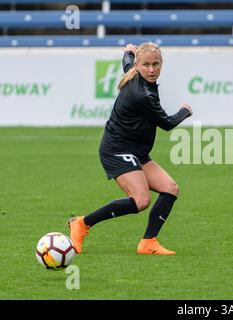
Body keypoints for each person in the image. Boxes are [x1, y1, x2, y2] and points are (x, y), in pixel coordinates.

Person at [68, 42, 192, 255]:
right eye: (146, 65)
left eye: (156, 64)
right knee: (141, 200)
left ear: (162, 64)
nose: (151, 70)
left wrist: (128, 51)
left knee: (170, 188)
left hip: (137, 151)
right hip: (116, 149)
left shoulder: (134, 72)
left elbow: (126, 61)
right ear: (139, 66)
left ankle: (148, 242)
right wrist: (184, 111)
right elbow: (167, 123)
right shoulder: (144, 95)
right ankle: (82, 223)